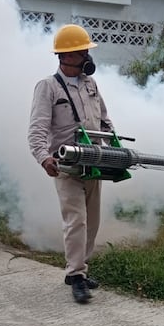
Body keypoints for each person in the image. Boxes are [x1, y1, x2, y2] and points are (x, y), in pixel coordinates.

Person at [28, 24, 114, 304]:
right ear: (66, 56)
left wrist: (114, 146)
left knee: (92, 221)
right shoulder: (48, 87)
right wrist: (44, 157)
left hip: (94, 161)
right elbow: (37, 128)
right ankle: (75, 275)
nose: (88, 56)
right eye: (82, 52)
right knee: (75, 220)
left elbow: (103, 119)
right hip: (67, 164)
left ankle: (81, 268)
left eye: (87, 51)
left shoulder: (91, 84)